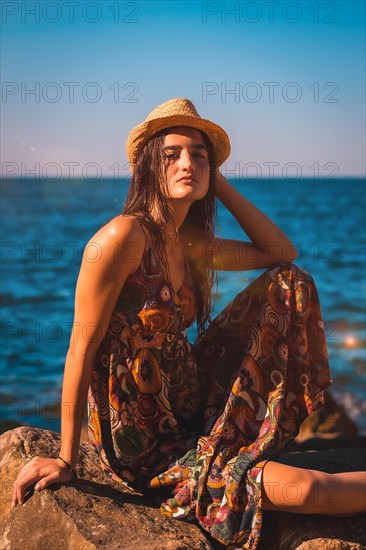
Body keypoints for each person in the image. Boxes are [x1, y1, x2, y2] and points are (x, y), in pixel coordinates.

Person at [11, 98, 366, 549]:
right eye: (171, 154)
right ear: (147, 168)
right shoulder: (124, 237)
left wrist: (218, 183)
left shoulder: (192, 245)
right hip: (146, 445)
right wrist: (66, 458)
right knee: (313, 489)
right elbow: (81, 346)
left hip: (191, 408)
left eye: (199, 155)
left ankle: (236, 435)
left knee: (290, 282)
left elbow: (282, 254)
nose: (187, 164)